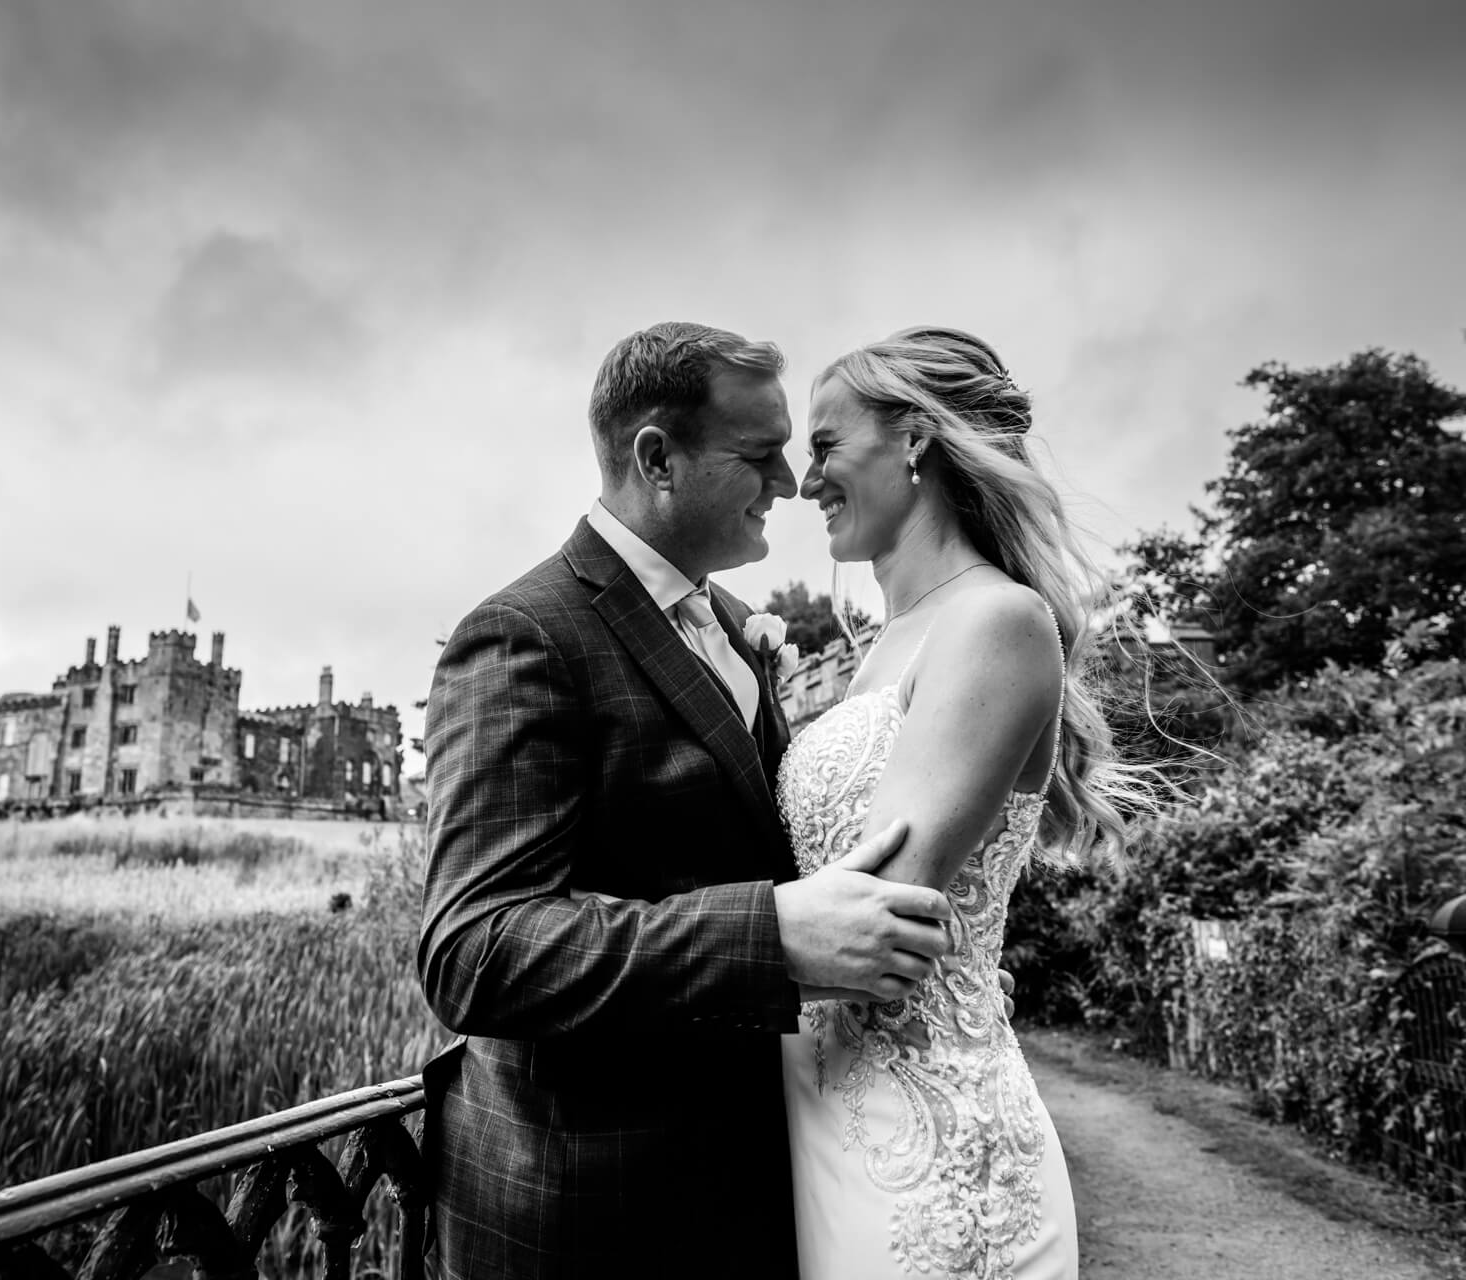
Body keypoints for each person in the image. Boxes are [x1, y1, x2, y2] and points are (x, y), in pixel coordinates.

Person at [416, 322, 961, 1279]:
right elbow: (475, 950)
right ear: (657, 459)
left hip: (753, 1185)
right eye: (759, 455)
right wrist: (774, 937)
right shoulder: (523, 634)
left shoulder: (726, 626)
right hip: (591, 1216)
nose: (791, 483)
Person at [779, 326, 1152, 1279]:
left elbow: (877, 917)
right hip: (825, 1112)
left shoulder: (995, 619)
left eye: (825, 444)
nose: (803, 476)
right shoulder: (881, 649)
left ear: (916, 440)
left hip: (927, 1150)